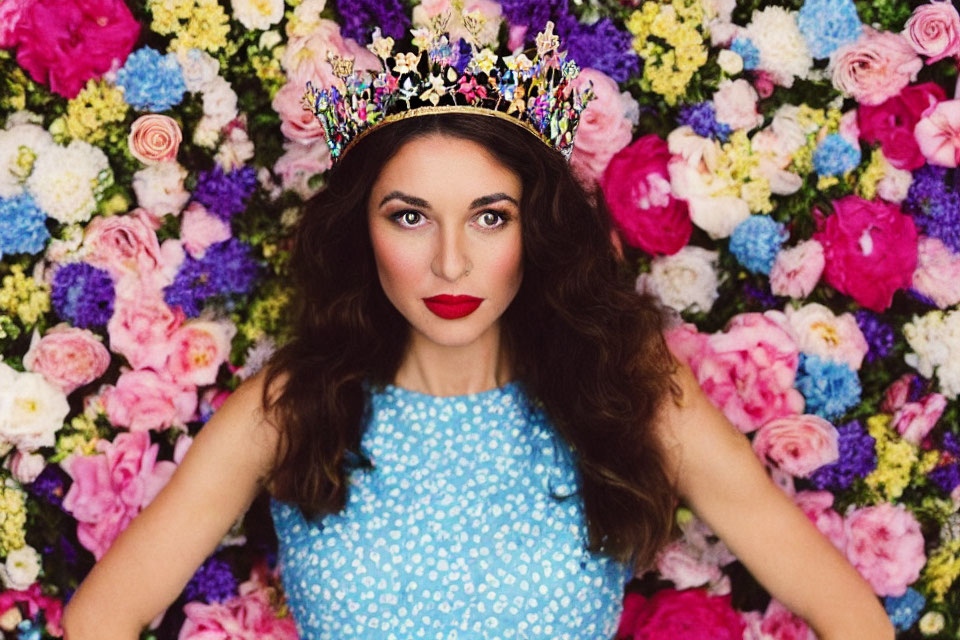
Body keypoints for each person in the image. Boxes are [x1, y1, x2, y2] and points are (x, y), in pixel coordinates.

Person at [63, 20, 895, 640]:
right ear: (364, 231)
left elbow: (857, 621)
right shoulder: (292, 403)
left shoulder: (627, 392)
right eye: (412, 217)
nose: (452, 263)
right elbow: (101, 619)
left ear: (537, 230)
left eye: (490, 217)